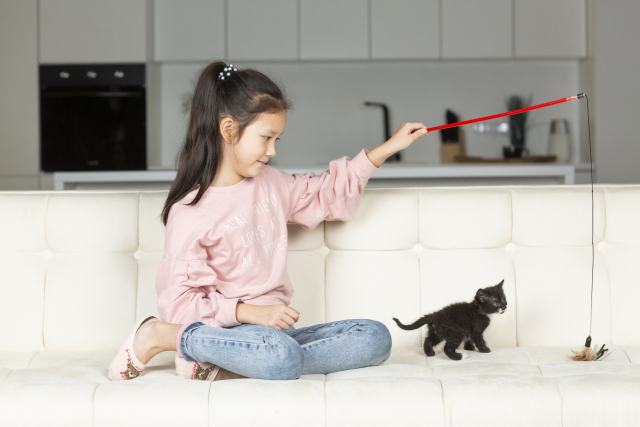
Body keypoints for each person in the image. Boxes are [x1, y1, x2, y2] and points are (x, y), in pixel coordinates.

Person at [108, 61, 429, 382]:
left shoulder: (272, 184)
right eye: (266, 137)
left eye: (277, 139)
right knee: (281, 355)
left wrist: (389, 147)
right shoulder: (191, 212)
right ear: (228, 130)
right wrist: (250, 312)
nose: (272, 150)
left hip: (271, 335)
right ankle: (161, 336)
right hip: (230, 331)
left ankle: (218, 364)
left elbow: (325, 194)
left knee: (373, 337)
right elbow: (181, 305)